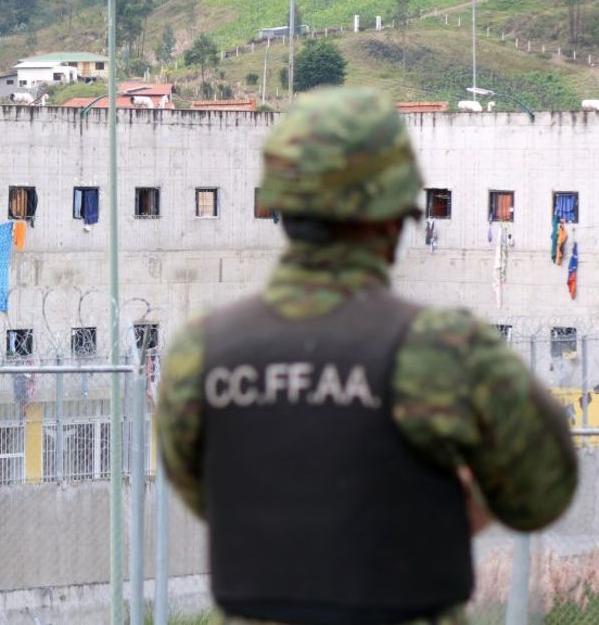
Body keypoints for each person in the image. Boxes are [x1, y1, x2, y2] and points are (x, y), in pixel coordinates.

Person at [156, 87, 578, 625]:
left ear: (280, 203)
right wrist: (444, 510)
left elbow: (205, 496)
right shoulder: (443, 350)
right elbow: (543, 493)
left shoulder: (202, 352)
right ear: (395, 212)